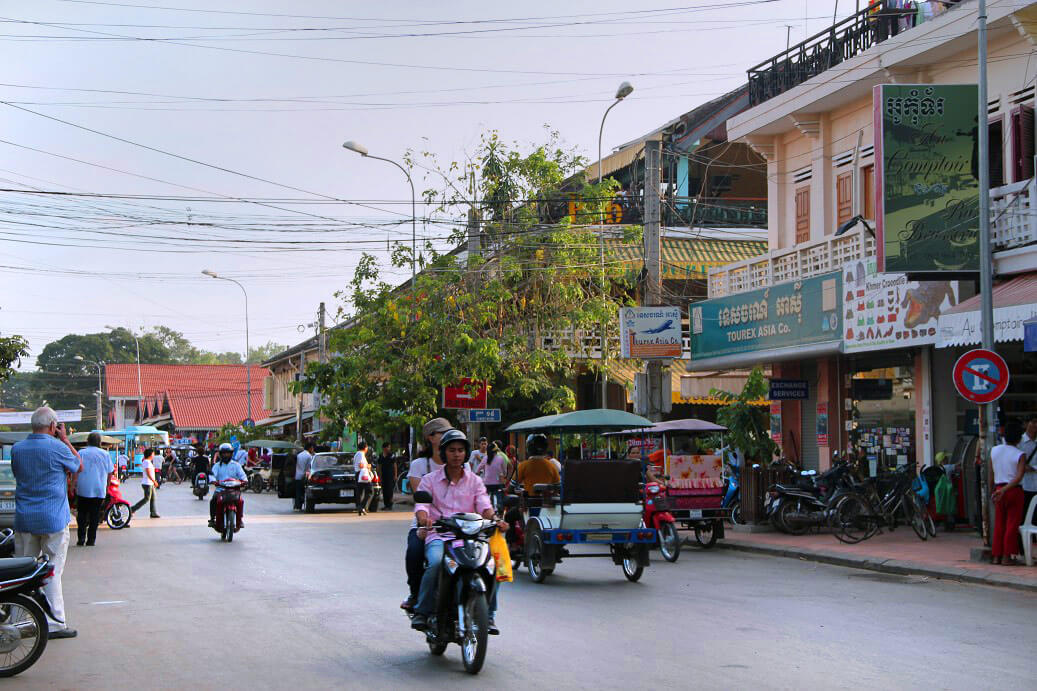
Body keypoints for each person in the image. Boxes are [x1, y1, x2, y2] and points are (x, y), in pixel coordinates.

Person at [411, 429, 507, 635]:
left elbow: (484, 506)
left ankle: (488, 616)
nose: (456, 454)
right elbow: (422, 507)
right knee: (436, 562)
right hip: (440, 535)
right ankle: (423, 610)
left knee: (493, 565)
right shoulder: (429, 479)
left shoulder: (475, 481)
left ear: (466, 453)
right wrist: (424, 520)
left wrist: (496, 520)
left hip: (471, 536)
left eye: (461, 450)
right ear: (444, 453)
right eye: (452, 450)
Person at [10, 406, 82, 639]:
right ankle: (54, 623)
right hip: (52, 519)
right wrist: (65, 439)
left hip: (25, 519)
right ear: (52, 426)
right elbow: (78, 465)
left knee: (21, 573)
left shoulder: (17, 449)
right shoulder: (58, 447)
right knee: (51, 571)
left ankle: (17, 624)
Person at [401, 417, 451, 612]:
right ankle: (416, 594)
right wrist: (425, 520)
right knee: (414, 552)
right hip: (428, 524)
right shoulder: (420, 465)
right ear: (431, 438)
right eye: (443, 433)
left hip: (457, 525)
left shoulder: (464, 466)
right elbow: (420, 499)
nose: (456, 455)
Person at [990, 423, 1027, 565]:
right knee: (1012, 524)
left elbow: (991, 473)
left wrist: (995, 490)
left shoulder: (994, 450)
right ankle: (1007, 556)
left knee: (999, 524)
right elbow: (1018, 477)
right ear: (1019, 438)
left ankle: (996, 556)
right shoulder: (1020, 454)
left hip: (998, 488)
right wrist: (1005, 490)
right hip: (1014, 490)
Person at [74, 432, 114, 547]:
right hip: (98, 489)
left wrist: (74, 484)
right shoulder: (104, 454)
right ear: (99, 442)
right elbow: (110, 472)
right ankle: (91, 540)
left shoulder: (81, 453)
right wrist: (107, 486)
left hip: (83, 488)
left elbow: (75, 469)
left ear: (88, 441)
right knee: (94, 515)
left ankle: (81, 538)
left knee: (81, 514)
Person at [209, 442, 247, 529]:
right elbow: (212, 475)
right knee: (213, 500)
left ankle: (240, 519)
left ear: (231, 453)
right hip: (220, 490)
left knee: (240, 501)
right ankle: (212, 519)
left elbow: (243, 476)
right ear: (221, 454)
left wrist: (244, 481)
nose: (226, 455)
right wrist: (213, 481)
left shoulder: (236, 465)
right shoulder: (217, 466)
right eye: (224, 453)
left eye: (228, 453)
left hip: (234, 490)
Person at [478, 442, 511, 510]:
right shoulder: (500, 458)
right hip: (498, 483)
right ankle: (500, 512)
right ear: (496, 451)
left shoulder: (485, 458)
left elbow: (478, 469)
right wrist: (504, 476)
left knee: (485, 500)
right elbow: (504, 471)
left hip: (487, 483)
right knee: (500, 500)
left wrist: (478, 473)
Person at [130, 448, 160, 518]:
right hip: (147, 483)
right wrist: (154, 481)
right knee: (146, 499)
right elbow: (148, 473)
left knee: (153, 498)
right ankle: (132, 509)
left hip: (150, 483)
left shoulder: (148, 461)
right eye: (153, 454)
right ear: (150, 455)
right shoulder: (146, 462)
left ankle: (153, 512)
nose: (153, 455)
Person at [1020, 415, 1037, 527]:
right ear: (1026, 424)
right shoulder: (1019, 440)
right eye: (1033, 422)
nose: (1035, 425)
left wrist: (1033, 468)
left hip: (1036, 483)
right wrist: (1021, 466)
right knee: (1024, 513)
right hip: (1022, 484)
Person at [294, 442, 315, 511]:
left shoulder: (299, 455)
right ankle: (299, 506)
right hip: (304, 476)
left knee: (298, 492)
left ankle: (297, 507)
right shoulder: (309, 456)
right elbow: (308, 468)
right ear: (309, 448)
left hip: (297, 475)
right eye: (312, 448)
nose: (313, 450)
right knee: (303, 492)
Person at [354, 440, 373, 516]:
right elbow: (361, 465)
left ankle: (361, 508)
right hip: (362, 474)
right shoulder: (361, 454)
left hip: (359, 474)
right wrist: (368, 466)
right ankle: (361, 506)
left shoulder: (357, 454)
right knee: (369, 491)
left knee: (360, 492)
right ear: (365, 448)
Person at [377, 442, 396, 511]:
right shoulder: (381, 455)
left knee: (390, 490)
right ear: (384, 448)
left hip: (390, 475)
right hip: (383, 475)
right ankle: (386, 505)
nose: (389, 448)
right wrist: (378, 475)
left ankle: (390, 504)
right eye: (388, 447)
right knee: (384, 490)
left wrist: (395, 475)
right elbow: (379, 465)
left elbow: (395, 465)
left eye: (389, 447)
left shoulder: (392, 455)